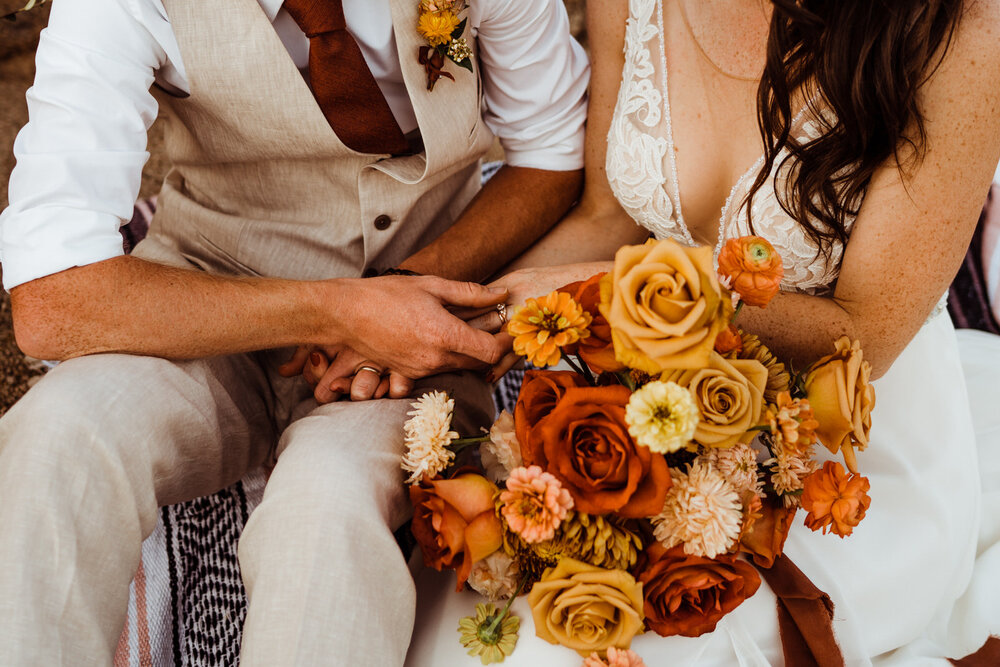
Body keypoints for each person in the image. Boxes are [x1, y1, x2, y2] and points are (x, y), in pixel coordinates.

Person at [405, 0, 1000, 664]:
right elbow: (607, 216)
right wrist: (444, 319)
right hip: (643, 412)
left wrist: (613, 286)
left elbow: (867, 334)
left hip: (842, 456)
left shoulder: (964, 27)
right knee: (462, 622)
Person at [0, 0, 589, 664]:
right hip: (212, 297)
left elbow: (551, 153)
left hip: (422, 311)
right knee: (58, 433)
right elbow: (52, 297)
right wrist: (338, 311)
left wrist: (412, 292)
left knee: (327, 498)